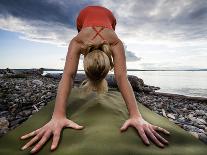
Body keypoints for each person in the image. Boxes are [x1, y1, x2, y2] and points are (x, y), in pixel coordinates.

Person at [20, 5, 170, 154]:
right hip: (93, 18)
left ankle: (95, 58)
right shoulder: (114, 42)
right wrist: (57, 116)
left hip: (105, 19)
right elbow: (121, 77)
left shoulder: (78, 41)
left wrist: (59, 115)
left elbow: (68, 75)